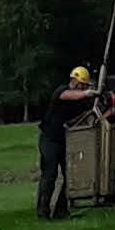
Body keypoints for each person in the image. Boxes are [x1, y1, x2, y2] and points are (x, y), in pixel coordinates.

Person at [37, 65, 98, 221]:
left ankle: (61, 210)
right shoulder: (62, 91)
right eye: (82, 85)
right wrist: (86, 93)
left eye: (85, 86)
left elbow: (86, 116)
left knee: (70, 176)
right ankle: (43, 211)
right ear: (75, 81)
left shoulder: (81, 101)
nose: (83, 88)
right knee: (49, 175)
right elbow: (67, 95)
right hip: (49, 139)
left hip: (66, 141)